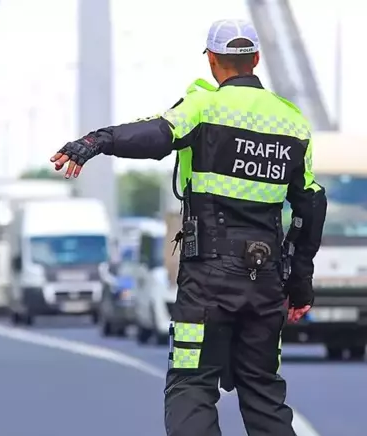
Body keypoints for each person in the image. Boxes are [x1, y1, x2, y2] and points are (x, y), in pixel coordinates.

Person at [50, 18, 327, 436]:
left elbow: (155, 135)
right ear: (256, 59)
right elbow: (311, 207)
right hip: (267, 282)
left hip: (208, 281)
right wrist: (300, 285)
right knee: (264, 395)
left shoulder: (204, 106)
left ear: (213, 61)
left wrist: (95, 142)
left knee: (192, 385)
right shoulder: (293, 123)